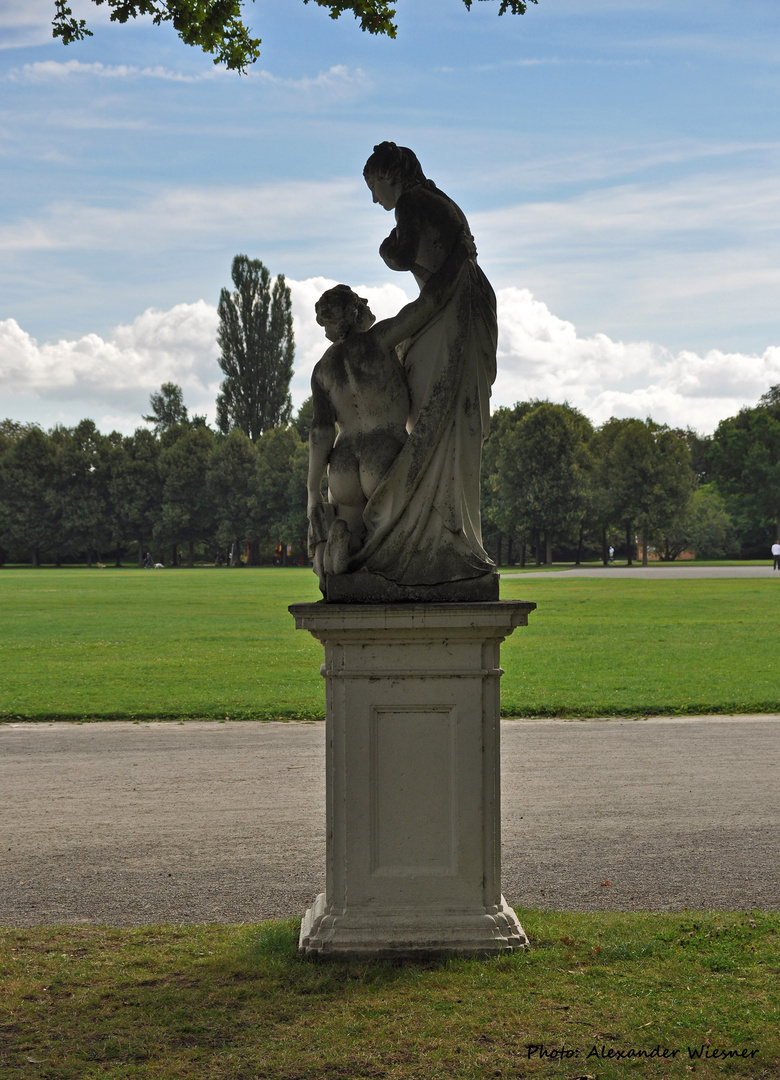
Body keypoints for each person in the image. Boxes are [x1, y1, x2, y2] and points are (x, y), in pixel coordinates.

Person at [352, 141, 497, 588]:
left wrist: (385, 249)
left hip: (451, 314)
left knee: (438, 420)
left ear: (390, 175)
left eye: (374, 185)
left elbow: (401, 255)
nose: (375, 199)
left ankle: (434, 541)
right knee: (449, 423)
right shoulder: (441, 202)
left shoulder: (414, 202)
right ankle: (450, 535)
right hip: (462, 306)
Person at [307, 235, 470, 591]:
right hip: (386, 447)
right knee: (398, 543)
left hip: (344, 461)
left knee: (353, 532)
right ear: (354, 311)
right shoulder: (378, 339)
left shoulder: (323, 369)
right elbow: (429, 303)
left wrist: (313, 492)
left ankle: (342, 552)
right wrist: (459, 257)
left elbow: (320, 434)